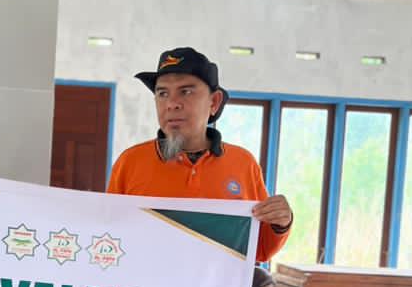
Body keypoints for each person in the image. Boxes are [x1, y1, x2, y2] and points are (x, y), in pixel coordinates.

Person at [106, 48, 293, 262]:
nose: (172, 103)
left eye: (185, 92)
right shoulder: (130, 163)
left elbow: (259, 250)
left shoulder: (243, 164)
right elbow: (111, 238)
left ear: (214, 102)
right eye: (162, 93)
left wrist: (281, 223)